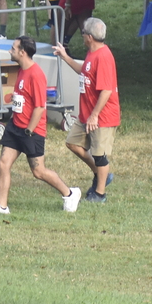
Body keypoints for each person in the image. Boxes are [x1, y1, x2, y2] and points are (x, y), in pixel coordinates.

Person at [0, 35, 81, 215]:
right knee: (3, 163)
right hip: (15, 127)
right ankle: (2, 206)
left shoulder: (36, 75)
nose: (10, 51)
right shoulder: (21, 70)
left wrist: (29, 130)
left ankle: (70, 193)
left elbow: (40, 107)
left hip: (31, 131)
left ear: (22, 52)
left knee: (38, 171)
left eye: (13, 48)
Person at [53, 17, 120, 201]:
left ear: (89, 37)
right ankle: (101, 175)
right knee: (72, 143)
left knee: (100, 155)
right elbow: (85, 70)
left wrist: (94, 116)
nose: (81, 36)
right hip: (87, 113)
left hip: (102, 117)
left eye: (83, 33)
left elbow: (106, 90)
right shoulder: (92, 53)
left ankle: (100, 194)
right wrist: (65, 56)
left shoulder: (104, 57)